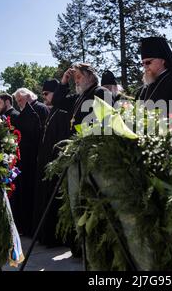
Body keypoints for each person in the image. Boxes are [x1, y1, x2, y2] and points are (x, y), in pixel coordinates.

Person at [32, 79, 72, 247]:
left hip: (55, 163)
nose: (44, 97)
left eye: (46, 94)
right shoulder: (53, 111)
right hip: (46, 162)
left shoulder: (62, 112)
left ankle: (54, 237)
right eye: (42, 94)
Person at [11, 88, 48, 237]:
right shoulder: (25, 111)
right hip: (25, 160)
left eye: (20, 100)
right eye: (17, 101)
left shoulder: (40, 108)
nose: (18, 103)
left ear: (28, 96)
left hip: (35, 158)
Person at [52, 63, 113, 135]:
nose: (76, 81)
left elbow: (107, 124)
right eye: (75, 79)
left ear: (90, 76)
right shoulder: (78, 97)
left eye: (78, 77)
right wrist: (64, 82)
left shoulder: (101, 92)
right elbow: (57, 102)